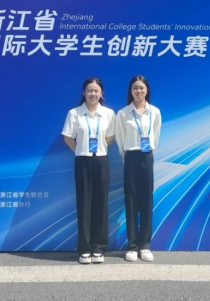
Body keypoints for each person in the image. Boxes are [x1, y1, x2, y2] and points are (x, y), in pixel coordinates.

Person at [62, 77, 115, 264]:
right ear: (84, 92)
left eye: (96, 90)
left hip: (101, 160)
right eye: (89, 90)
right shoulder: (74, 113)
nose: (93, 94)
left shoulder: (109, 114)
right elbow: (68, 137)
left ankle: (99, 247)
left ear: (101, 93)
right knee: (84, 204)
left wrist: (99, 147)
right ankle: (84, 248)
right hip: (82, 161)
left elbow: (110, 137)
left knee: (101, 204)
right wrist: (80, 150)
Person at [115, 75, 162, 262]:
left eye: (141, 88)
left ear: (147, 90)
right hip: (131, 157)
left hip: (147, 156)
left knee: (146, 201)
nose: (138, 91)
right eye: (135, 88)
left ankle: (145, 245)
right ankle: (133, 246)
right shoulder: (123, 113)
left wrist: (147, 151)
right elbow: (120, 140)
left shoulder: (155, 112)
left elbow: (155, 136)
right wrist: (128, 156)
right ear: (131, 91)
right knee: (131, 201)